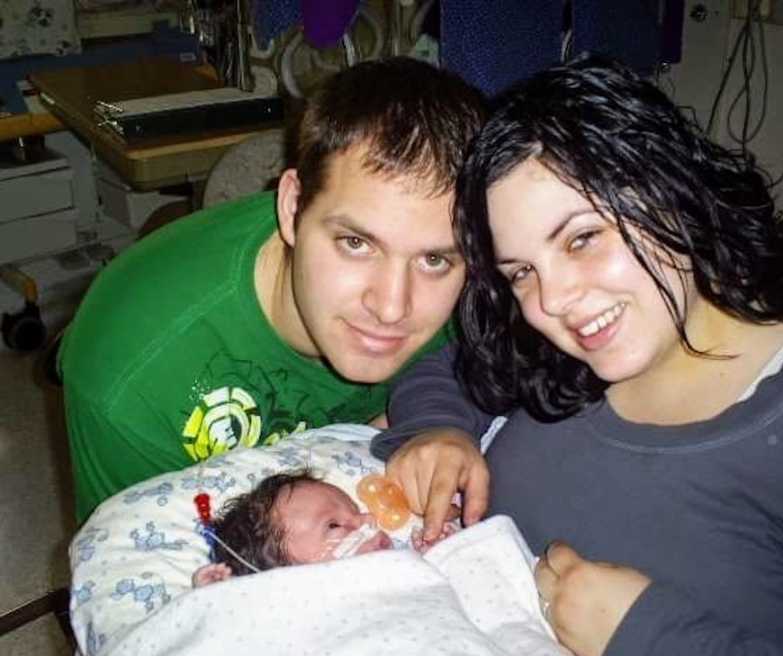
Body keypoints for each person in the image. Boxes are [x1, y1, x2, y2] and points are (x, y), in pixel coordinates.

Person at [372, 57, 783, 656]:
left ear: (668, 190)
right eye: (521, 272)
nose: (553, 301)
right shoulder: (591, 338)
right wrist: (441, 429)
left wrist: (650, 641)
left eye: (581, 238)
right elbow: (452, 369)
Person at [59, 57, 485, 522]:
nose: (390, 307)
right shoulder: (136, 379)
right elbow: (136, 567)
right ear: (292, 207)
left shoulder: (477, 289)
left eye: (434, 259)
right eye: (356, 243)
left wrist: (442, 424)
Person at [192, 470, 455, 587]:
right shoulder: (297, 604)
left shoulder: (401, 561)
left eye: (355, 510)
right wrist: (219, 595)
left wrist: (439, 552)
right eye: (334, 525)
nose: (367, 521)